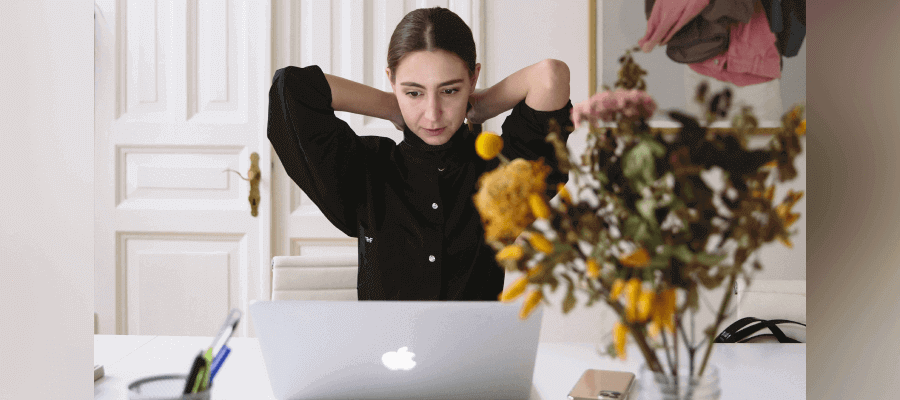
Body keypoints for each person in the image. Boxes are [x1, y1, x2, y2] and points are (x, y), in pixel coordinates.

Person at [267, 6, 574, 300]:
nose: (433, 114)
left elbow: (550, 76)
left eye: (450, 90)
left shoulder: (502, 175)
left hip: (477, 355)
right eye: (414, 92)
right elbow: (291, 88)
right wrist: (390, 106)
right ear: (392, 81)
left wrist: (479, 105)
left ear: (473, 78)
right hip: (382, 355)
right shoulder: (366, 170)